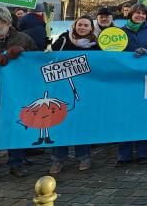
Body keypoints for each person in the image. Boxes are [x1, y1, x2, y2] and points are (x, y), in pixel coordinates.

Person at [116, 4, 147, 166]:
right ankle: (124, 155)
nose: (140, 16)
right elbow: (110, 55)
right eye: (137, 13)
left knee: (142, 116)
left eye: (143, 14)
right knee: (123, 117)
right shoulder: (120, 32)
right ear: (130, 14)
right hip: (125, 80)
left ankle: (143, 153)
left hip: (146, 80)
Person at [49, 16, 99, 174]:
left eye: (86, 25)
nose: (82, 27)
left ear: (91, 28)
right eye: (80, 24)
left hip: (86, 88)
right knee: (60, 121)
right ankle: (58, 159)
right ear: (74, 25)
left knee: (82, 123)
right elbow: (51, 56)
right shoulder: (63, 39)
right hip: (62, 87)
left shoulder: (97, 44)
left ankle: (84, 157)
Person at [0, 5, 37, 177]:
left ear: (6, 21)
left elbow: (37, 60)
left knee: (15, 124)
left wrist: (25, 54)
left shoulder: (23, 38)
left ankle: (16, 163)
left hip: (16, 92)